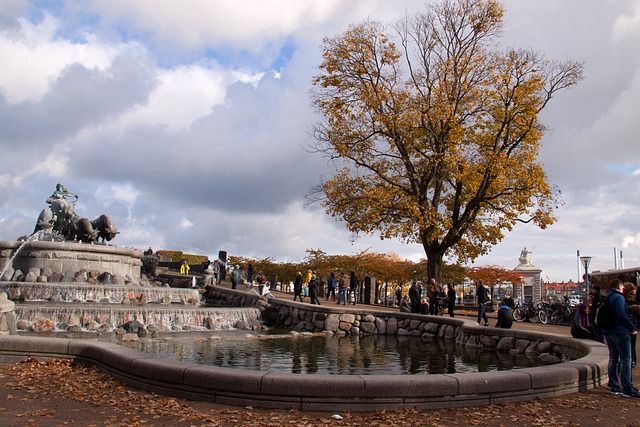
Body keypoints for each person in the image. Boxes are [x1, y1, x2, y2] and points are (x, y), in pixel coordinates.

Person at [602, 278, 639, 398]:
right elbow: (621, 314)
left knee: (613, 358)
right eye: (622, 287)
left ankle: (614, 385)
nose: (623, 289)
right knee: (626, 359)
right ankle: (627, 388)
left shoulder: (607, 297)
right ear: (619, 286)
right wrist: (632, 327)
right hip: (620, 331)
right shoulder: (618, 297)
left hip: (609, 331)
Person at [623, 282, 640, 368]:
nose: (632, 296)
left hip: (633, 327)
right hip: (625, 328)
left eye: (633, 294)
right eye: (630, 294)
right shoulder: (622, 301)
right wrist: (629, 309)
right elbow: (621, 314)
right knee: (627, 348)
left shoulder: (634, 301)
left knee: (632, 346)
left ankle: (633, 361)